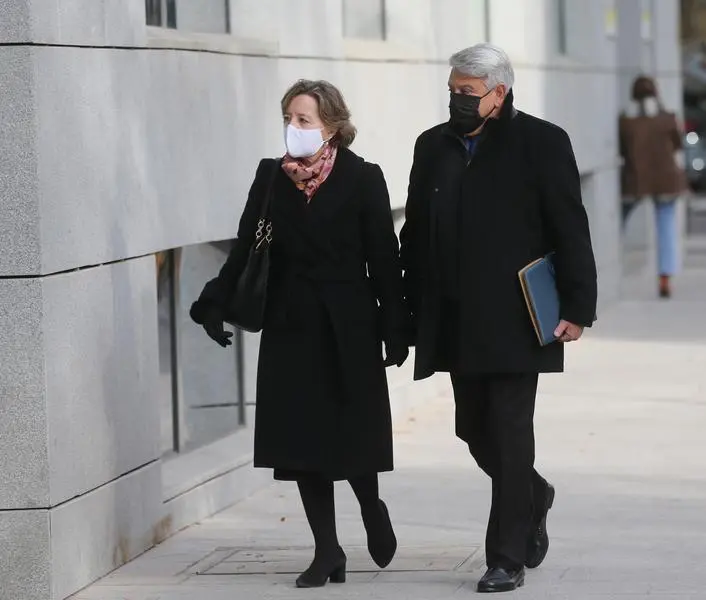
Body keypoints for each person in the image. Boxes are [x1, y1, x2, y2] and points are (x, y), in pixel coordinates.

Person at [190, 80, 409, 588]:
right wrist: (214, 302)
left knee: (351, 432)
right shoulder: (271, 177)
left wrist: (396, 327)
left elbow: (385, 259)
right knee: (301, 440)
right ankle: (327, 549)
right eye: (288, 118)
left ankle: (370, 505)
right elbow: (246, 246)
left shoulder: (363, 178)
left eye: (304, 119)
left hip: (348, 326)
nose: (293, 127)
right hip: (290, 325)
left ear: (331, 126)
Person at [400, 44, 598, 593]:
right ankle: (533, 493)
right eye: (452, 90)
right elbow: (414, 231)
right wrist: (406, 306)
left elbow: (570, 227)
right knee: (472, 428)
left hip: (517, 317)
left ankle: (505, 558)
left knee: (510, 434)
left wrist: (578, 307)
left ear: (499, 93)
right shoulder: (432, 146)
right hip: (453, 315)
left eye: (467, 92)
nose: (456, 100)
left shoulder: (542, 142)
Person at [619, 75, 686, 298]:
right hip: (666, 179)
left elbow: (622, 150)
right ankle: (665, 277)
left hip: (636, 180)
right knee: (666, 226)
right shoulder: (668, 118)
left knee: (619, 220)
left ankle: (605, 262)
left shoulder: (625, 121)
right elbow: (678, 144)